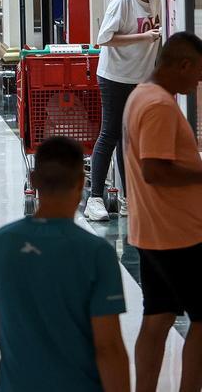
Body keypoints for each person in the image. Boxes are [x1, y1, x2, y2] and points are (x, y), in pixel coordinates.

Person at [0, 136, 130, 392]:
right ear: (81, 183)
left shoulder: (1, 244)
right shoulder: (96, 253)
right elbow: (108, 346)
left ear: (34, 181)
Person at [122, 32, 202, 392]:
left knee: (158, 316)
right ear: (183, 65)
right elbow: (155, 170)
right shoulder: (158, 106)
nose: (198, 82)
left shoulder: (141, 94)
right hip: (179, 235)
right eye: (198, 73)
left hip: (151, 231)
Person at [85, 0, 161, 222]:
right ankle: (94, 198)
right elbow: (103, 38)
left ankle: (129, 197)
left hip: (140, 78)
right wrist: (144, 36)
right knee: (111, 133)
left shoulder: (156, 0)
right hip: (114, 76)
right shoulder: (122, 0)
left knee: (130, 140)